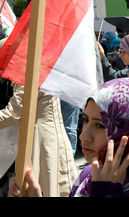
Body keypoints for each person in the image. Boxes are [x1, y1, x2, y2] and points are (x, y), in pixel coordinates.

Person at [9, 78, 129, 197]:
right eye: (85, 120)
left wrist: (104, 192)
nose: (84, 135)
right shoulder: (88, 176)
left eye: (100, 125)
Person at [1, 39, 78, 197]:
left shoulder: (27, 71)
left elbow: (14, 112)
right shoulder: (33, 66)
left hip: (42, 139)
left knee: (45, 185)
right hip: (44, 135)